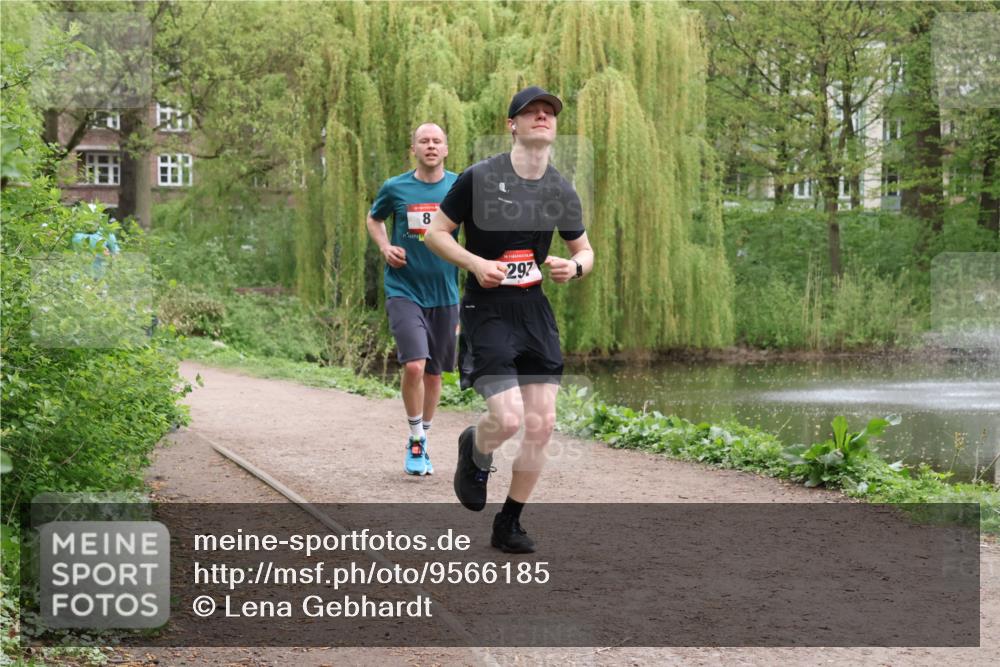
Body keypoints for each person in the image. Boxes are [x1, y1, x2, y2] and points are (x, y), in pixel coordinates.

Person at [425, 86, 594, 553]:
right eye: (531, 112)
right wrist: (475, 264)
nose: (542, 117)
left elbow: (585, 250)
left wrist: (573, 267)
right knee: (510, 419)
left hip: (534, 310)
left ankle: (509, 523)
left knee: (542, 423)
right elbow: (436, 235)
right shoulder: (480, 177)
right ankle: (475, 447)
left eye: (549, 113)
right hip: (487, 309)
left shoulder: (561, 187)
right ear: (511, 125)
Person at [367, 123, 460, 477]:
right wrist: (384, 246)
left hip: (445, 294)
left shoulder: (457, 187)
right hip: (404, 290)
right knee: (415, 366)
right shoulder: (396, 187)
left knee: (435, 375)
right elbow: (374, 219)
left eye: (437, 141)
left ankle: (424, 435)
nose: (431, 146)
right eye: (424, 141)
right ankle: (416, 439)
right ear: (414, 149)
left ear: (446, 149)